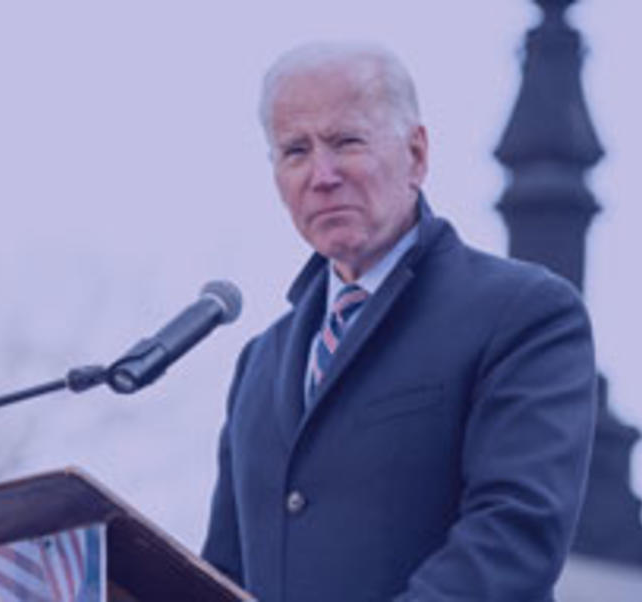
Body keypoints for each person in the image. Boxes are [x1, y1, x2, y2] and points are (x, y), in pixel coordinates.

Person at [201, 42, 597, 602]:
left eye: (347, 141)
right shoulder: (259, 364)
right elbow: (222, 575)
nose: (322, 174)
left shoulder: (524, 314)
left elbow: (513, 537)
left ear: (416, 154)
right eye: (295, 150)